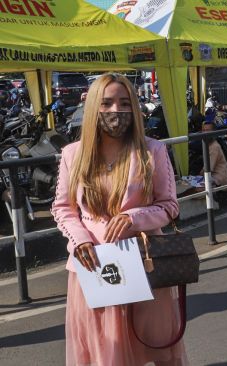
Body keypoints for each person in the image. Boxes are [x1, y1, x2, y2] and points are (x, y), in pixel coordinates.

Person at [51, 73, 188, 365]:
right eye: (108, 103)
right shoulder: (72, 155)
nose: (117, 111)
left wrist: (133, 217)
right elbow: (63, 208)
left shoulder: (153, 150)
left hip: (146, 265)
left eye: (125, 103)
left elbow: (169, 206)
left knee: (159, 350)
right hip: (95, 271)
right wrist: (81, 241)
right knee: (105, 355)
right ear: (92, 109)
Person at [200, 121, 227, 187]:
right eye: (204, 130)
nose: (205, 133)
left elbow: (208, 169)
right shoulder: (207, 144)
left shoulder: (214, 147)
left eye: (208, 130)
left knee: (195, 190)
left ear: (213, 132)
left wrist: (196, 177)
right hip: (213, 177)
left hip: (219, 179)